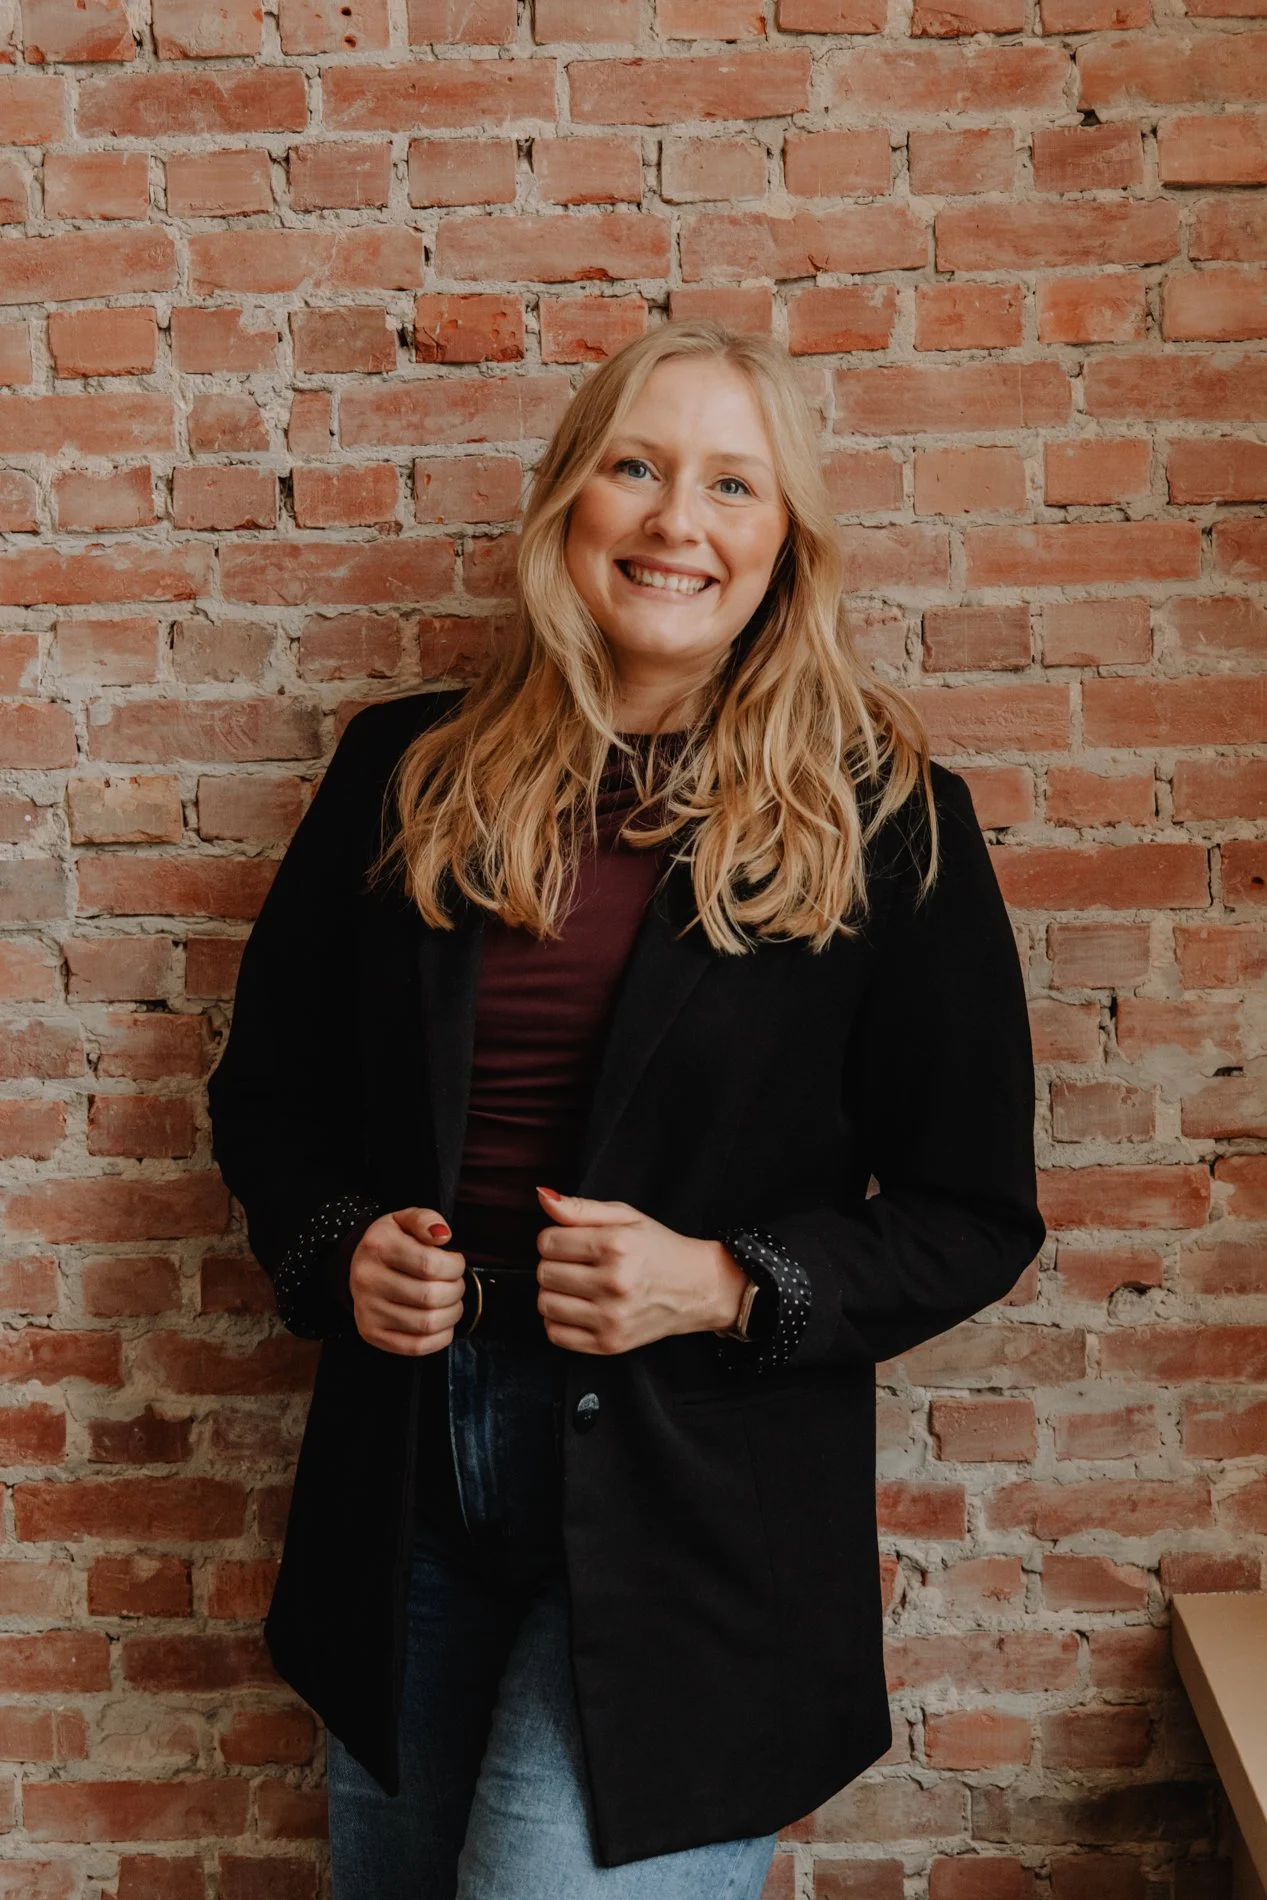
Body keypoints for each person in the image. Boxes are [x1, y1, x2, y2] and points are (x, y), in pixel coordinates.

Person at [206, 317, 1045, 1900]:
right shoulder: (401, 771)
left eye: (732, 484)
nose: (676, 521)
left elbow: (973, 1212)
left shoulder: (884, 818)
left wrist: (723, 1282)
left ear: (784, 542)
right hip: (408, 1482)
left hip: (695, 1513)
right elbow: (272, 1094)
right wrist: (339, 1245)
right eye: (635, 467)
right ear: (566, 503)